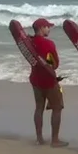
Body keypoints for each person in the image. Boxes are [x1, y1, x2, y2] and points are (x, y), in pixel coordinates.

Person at [29, 18, 68, 147]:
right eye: (47, 27)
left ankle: (39, 139)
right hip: (49, 80)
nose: (49, 29)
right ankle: (55, 140)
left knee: (39, 108)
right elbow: (55, 64)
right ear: (41, 28)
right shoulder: (49, 44)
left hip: (35, 79)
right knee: (57, 108)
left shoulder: (29, 42)